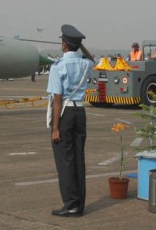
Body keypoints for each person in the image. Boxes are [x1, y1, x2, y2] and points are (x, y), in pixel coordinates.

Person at [47, 24, 94, 216]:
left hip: (64, 115)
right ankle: (79, 204)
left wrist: (55, 128)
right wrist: (80, 45)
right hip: (80, 113)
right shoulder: (85, 63)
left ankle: (71, 204)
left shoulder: (58, 66)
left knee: (65, 161)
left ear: (64, 44)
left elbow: (57, 98)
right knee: (78, 158)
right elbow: (92, 59)